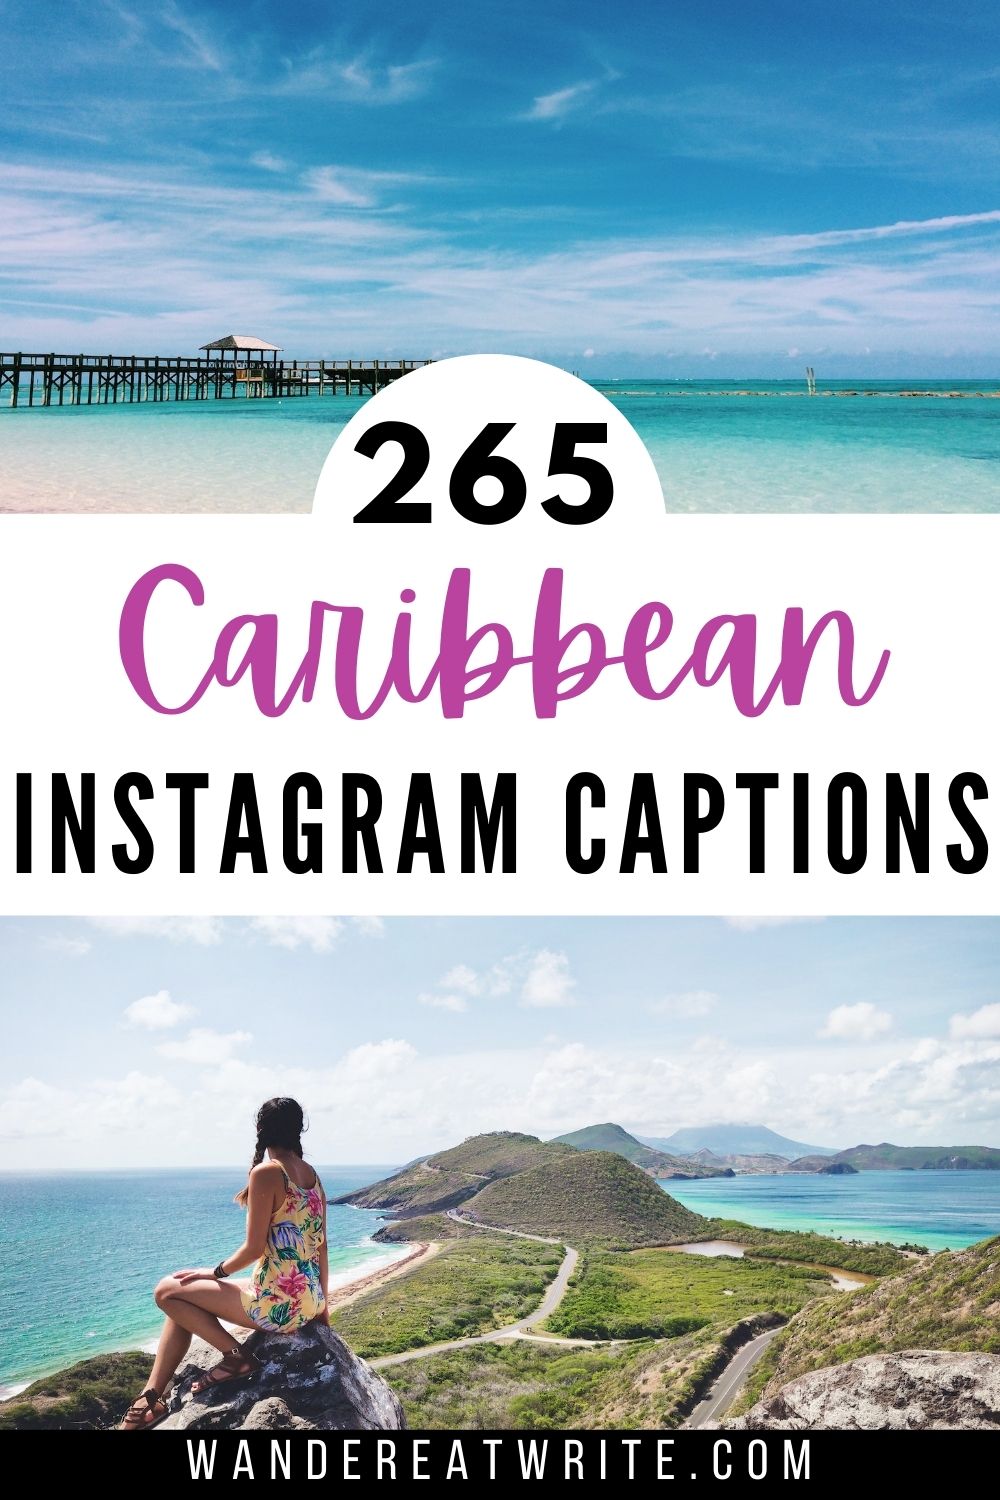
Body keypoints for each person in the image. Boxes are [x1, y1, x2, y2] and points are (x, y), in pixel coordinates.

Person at [121, 1097, 328, 1430]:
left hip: (277, 1305)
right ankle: (152, 1396)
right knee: (184, 1295)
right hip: (305, 1300)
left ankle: (237, 1358)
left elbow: (252, 1249)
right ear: (299, 1129)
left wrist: (212, 1272)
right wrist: (323, 1309)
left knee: (166, 1291)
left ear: (260, 1130)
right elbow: (322, 1248)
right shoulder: (312, 1177)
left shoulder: (267, 1172)